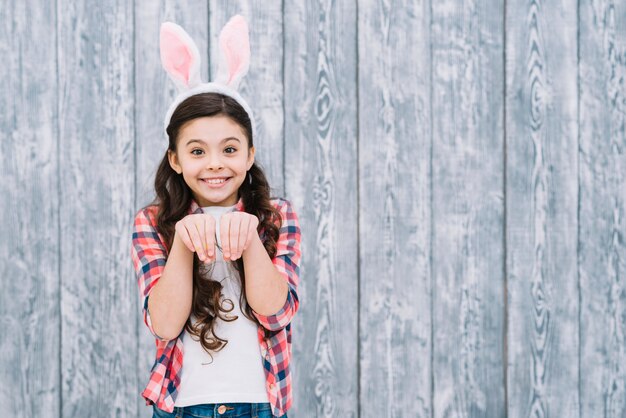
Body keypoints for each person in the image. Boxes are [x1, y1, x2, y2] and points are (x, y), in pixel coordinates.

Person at [131, 15, 300, 418]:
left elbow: (276, 313)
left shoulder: (277, 215)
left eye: (228, 149)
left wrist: (253, 241)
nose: (214, 165)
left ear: (249, 154)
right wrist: (184, 245)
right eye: (196, 151)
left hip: (260, 403)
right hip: (182, 404)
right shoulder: (152, 222)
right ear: (175, 158)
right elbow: (164, 325)